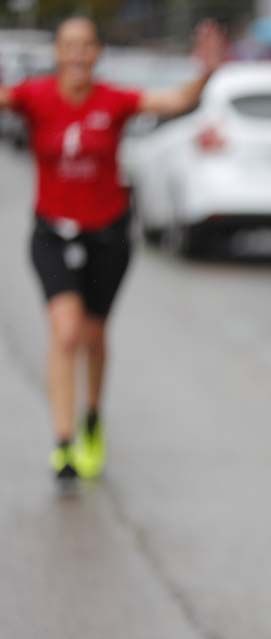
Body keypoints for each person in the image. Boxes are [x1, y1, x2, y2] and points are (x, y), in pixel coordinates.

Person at [0, 16, 226, 480]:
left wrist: (206, 71)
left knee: (94, 336)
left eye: (86, 46)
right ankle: (64, 443)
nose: (78, 55)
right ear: (58, 53)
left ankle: (92, 417)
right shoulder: (36, 96)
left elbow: (177, 100)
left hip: (107, 234)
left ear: (97, 52)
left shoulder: (115, 100)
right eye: (69, 46)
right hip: (52, 233)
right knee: (65, 332)